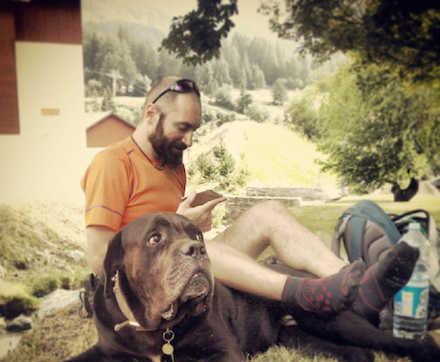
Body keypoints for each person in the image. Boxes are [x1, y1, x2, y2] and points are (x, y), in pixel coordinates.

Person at [81, 76, 417, 322]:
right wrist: (184, 228)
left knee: (268, 213)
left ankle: (359, 289)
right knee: (199, 248)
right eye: (183, 128)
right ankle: (308, 295)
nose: (190, 140)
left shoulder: (171, 164)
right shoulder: (112, 163)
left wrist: (190, 223)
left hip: (184, 266)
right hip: (144, 285)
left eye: (195, 129)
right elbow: (99, 257)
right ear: (151, 114)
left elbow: (170, 226)